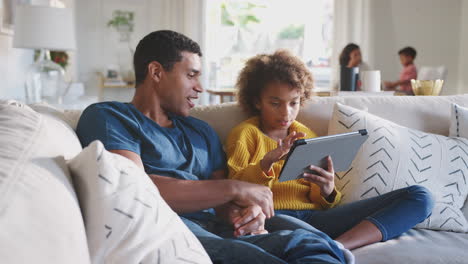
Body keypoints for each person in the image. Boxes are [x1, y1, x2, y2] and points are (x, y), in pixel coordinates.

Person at [76, 30, 349, 264]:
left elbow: (225, 204)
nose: (200, 87)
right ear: (156, 72)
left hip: (219, 229)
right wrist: (235, 188)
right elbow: (135, 189)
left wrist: (244, 214)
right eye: (191, 75)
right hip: (170, 228)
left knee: (312, 245)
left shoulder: (201, 131)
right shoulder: (111, 117)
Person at [226, 49, 434, 251]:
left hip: (315, 218)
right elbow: (234, 194)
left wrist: (326, 189)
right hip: (273, 216)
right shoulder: (245, 134)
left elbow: (322, 203)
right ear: (257, 101)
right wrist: (267, 162)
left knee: (420, 196)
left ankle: (339, 246)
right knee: (296, 231)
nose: (286, 112)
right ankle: (323, 246)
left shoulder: (305, 134)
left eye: (293, 103)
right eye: (275, 103)